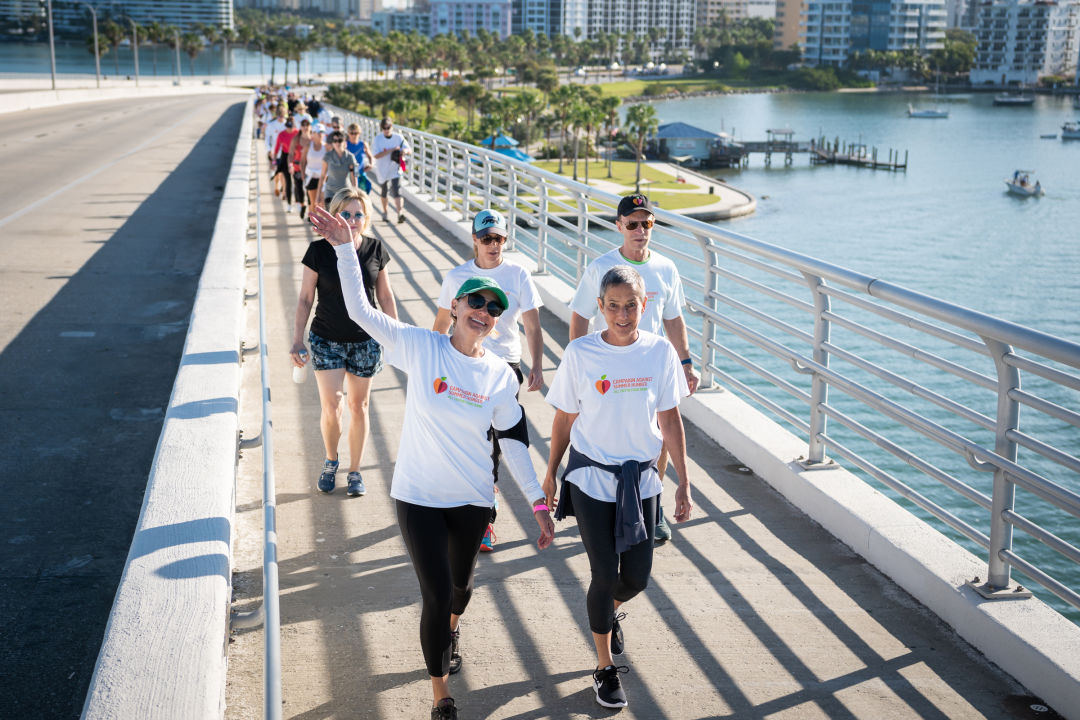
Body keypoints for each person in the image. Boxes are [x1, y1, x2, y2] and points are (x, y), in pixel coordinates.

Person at [308, 203, 555, 720]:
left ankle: (452, 630)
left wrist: (537, 502)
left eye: (493, 308)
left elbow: (512, 441)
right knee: (437, 593)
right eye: (476, 302)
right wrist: (346, 251)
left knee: (460, 591)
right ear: (457, 305)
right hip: (418, 496)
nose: (483, 311)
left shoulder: (498, 377)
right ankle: (441, 693)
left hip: (470, 501)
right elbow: (360, 310)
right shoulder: (421, 347)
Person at [543, 264, 693, 710]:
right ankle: (605, 669)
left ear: (644, 306)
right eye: (613, 307)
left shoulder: (660, 353)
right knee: (604, 572)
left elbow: (669, 419)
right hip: (591, 477)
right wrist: (551, 472)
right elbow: (564, 418)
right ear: (600, 308)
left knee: (637, 577)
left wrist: (684, 481)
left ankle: (606, 614)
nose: (623, 315)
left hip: (642, 481)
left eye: (631, 306)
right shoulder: (581, 353)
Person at [568, 193, 699, 543]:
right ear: (619, 226)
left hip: (655, 363)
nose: (640, 230)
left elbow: (674, 318)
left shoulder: (666, 268)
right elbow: (580, 315)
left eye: (647, 223)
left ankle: (650, 509)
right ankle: (609, 505)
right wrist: (576, 363)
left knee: (662, 432)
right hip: (611, 364)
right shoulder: (600, 268)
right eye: (632, 223)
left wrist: (685, 362)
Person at [432, 209, 544, 551]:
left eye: (498, 238)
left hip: (504, 367)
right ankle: (466, 501)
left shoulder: (518, 273)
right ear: (474, 240)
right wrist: (431, 365)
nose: (492, 245)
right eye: (485, 238)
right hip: (464, 364)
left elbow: (533, 325)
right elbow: (439, 326)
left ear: (505, 240)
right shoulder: (457, 277)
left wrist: (537, 365)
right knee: (470, 440)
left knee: (496, 443)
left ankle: (483, 519)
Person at [290, 187, 398, 497]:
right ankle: (331, 459)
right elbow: (305, 298)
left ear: (367, 219)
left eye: (358, 215)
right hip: (326, 338)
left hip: (366, 341)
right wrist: (297, 339)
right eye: (346, 214)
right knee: (333, 405)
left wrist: (396, 336)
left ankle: (355, 471)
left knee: (359, 406)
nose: (351, 220)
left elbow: (386, 297)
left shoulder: (376, 250)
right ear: (335, 216)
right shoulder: (318, 251)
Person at [372, 117, 411, 224]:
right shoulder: (378, 139)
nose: (386, 129)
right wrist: (391, 150)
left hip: (395, 169)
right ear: (381, 128)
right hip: (382, 170)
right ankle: (385, 212)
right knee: (384, 192)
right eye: (384, 128)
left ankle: (400, 214)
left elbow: (409, 150)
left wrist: (404, 151)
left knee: (397, 190)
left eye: (388, 127)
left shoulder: (398, 137)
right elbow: (376, 155)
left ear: (392, 127)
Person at [316, 130, 358, 209]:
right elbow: (322, 176)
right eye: (335, 141)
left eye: (340, 140)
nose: (337, 143)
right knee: (331, 218)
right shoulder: (327, 156)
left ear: (344, 141)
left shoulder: (350, 157)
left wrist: (355, 192)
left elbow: (354, 176)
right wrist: (318, 195)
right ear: (332, 143)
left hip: (345, 193)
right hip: (330, 193)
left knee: (343, 218)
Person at [272, 118, 299, 211]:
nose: (289, 129)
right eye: (288, 127)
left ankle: (298, 201)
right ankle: (289, 204)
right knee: (288, 181)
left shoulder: (297, 133)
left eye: (291, 127)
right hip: (285, 157)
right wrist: (274, 161)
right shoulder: (281, 134)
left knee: (297, 181)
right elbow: (276, 148)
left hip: (296, 157)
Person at [302, 124, 328, 212]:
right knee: (313, 203)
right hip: (310, 176)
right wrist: (302, 174)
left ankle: (320, 224)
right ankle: (314, 223)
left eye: (322, 132)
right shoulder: (308, 146)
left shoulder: (326, 147)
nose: (320, 134)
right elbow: (302, 161)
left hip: (323, 178)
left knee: (321, 203)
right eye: (318, 132)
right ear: (313, 134)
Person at [345, 122, 375, 194]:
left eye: (356, 133)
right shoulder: (345, 144)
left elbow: (370, 157)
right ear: (348, 133)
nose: (354, 135)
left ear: (359, 133)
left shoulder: (363, 144)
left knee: (364, 192)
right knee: (350, 194)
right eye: (351, 133)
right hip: (348, 173)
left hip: (360, 172)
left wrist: (371, 165)